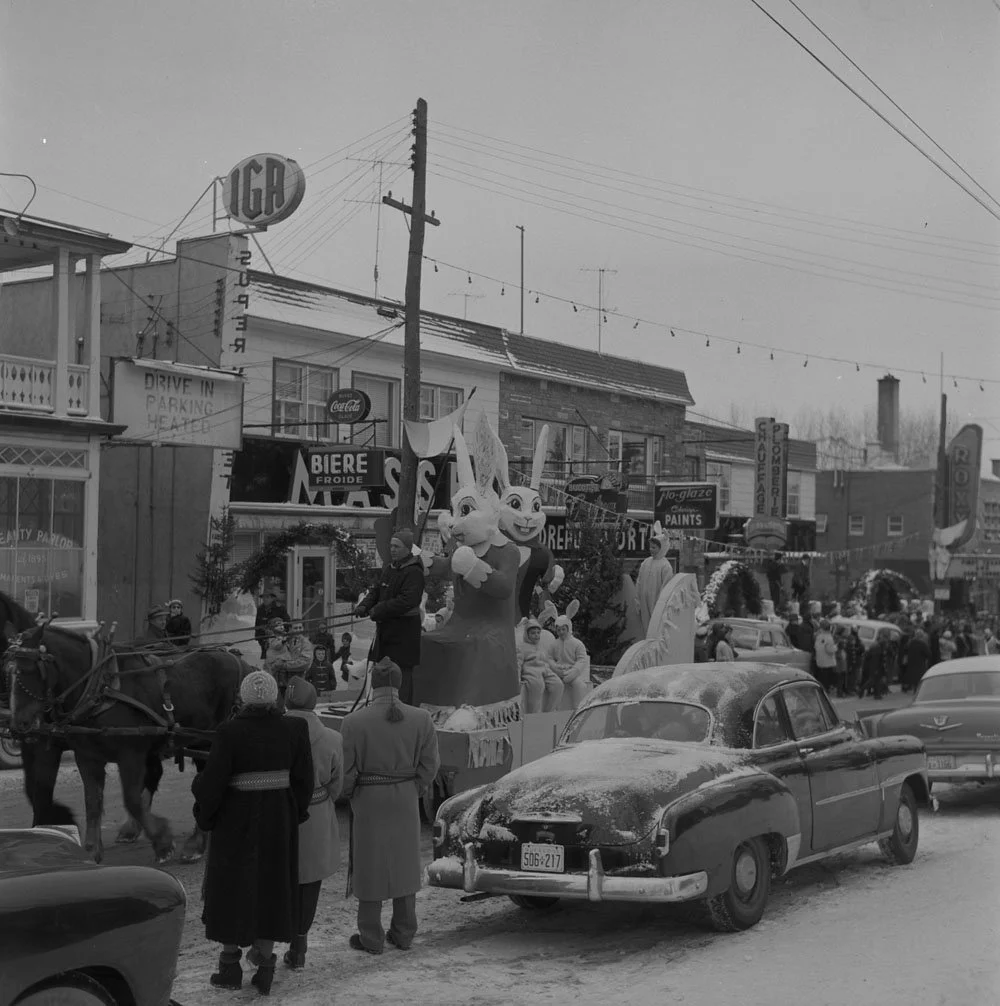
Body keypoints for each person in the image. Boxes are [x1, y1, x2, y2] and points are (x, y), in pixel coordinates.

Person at [192, 669, 313, 995]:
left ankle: (230, 967)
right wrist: (295, 814)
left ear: (243, 698)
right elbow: (304, 781)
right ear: (274, 697)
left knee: (233, 888)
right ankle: (265, 966)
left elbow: (211, 785)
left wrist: (204, 816)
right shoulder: (295, 728)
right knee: (272, 888)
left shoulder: (229, 732)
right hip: (278, 821)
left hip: (236, 822)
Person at [341, 658, 440, 955]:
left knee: (370, 864)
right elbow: (430, 765)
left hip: (369, 801)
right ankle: (404, 932)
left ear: (373, 683)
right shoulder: (421, 718)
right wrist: (413, 787)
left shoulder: (353, 721)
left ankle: (371, 937)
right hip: (405, 797)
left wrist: (352, 794)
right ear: (398, 684)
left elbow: (346, 773)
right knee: (404, 863)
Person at [282, 676, 343, 970]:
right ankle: (300, 944)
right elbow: (336, 785)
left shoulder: (271, 732)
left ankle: (265, 944)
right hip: (316, 812)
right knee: (310, 882)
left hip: (279, 813)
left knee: (279, 879)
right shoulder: (332, 738)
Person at [353, 529, 425, 704]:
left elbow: (407, 601)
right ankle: (383, 706)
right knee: (384, 674)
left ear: (408, 548)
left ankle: (403, 708)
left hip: (404, 636)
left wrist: (379, 609)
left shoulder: (414, 572)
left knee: (402, 677)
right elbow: (377, 590)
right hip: (387, 633)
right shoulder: (390, 569)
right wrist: (365, 605)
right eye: (391, 546)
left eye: (396, 546)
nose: (392, 549)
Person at [517, 618, 563, 714]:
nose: (536, 635)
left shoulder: (540, 647)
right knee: (537, 685)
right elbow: (518, 663)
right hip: (531, 671)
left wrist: (556, 669)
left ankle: (549, 711)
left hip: (545, 670)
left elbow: (547, 661)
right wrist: (517, 679)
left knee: (558, 685)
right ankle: (534, 714)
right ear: (527, 634)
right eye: (533, 633)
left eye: (538, 633)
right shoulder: (522, 647)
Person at [635, 524, 674, 637]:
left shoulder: (665, 566)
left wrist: (661, 606)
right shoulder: (646, 563)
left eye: (654, 547)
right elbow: (639, 582)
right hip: (644, 602)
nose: (651, 550)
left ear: (662, 547)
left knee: (657, 629)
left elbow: (666, 587)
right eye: (650, 547)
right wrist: (638, 600)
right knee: (646, 629)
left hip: (656, 604)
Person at [545, 614, 591, 709]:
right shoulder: (554, 644)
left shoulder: (577, 644)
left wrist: (574, 672)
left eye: (563, 629)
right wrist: (555, 668)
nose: (561, 632)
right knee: (556, 686)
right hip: (558, 672)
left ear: (568, 628)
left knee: (580, 686)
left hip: (572, 672)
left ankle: (579, 710)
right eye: (558, 630)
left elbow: (582, 659)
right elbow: (549, 658)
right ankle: (551, 710)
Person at [255, 590, 290, 660]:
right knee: (266, 661)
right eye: (263, 597)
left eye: (267, 597)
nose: (265, 599)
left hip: (278, 640)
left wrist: (279, 634)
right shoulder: (260, 609)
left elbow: (287, 623)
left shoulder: (280, 608)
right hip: (264, 641)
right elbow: (257, 625)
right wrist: (259, 638)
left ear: (273, 598)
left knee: (278, 660)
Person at [813, 619, 838, 693]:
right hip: (828, 661)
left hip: (820, 660)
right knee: (827, 677)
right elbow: (830, 650)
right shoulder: (829, 638)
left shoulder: (819, 636)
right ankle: (826, 690)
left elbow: (816, 647)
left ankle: (822, 689)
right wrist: (836, 647)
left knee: (821, 676)